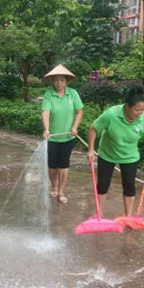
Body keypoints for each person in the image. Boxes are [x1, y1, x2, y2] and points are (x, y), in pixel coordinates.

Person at [87, 83, 144, 218]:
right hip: (107, 154)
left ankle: (128, 216)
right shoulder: (111, 114)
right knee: (102, 184)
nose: (140, 113)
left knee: (129, 186)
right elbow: (93, 129)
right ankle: (99, 214)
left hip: (129, 156)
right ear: (127, 106)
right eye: (137, 109)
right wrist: (91, 149)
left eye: (143, 109)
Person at [41, 65, 84, 204]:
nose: (59, 83)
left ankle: (61, 191)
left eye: (62, 80)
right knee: (52, 164)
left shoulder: (73, 94)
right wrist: (47, 129)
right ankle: (54, 186)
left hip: (68, 137)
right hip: (53, 137)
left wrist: (74, 127)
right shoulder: (49, 94)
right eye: (56, 80)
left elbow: (79, 111)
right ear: (52, 81)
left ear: (67, 82)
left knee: (64, 164)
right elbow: (45, 113)